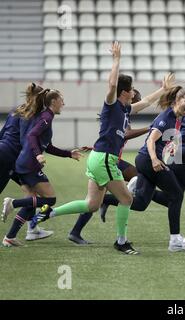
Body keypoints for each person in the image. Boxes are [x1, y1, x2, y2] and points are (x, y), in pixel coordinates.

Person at [31, 42, 155, 255]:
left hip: (100, 158)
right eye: (132, 89)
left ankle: (48, 213)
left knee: (91, 205)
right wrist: (116, 60)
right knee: (126, 199)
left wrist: (166, 90)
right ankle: (121, 241)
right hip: (105, 159)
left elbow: (146, 102)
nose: (134, 92)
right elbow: (112, 86)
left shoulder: (125, 110)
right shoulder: (112, 103)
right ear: (125, 92)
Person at [102, 86, 185, 247]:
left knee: (142, 203)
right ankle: (175, 240)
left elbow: (178, 136)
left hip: (150, 160)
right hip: (148, 160)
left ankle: (105, 199)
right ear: (177, 101)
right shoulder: (167, 116)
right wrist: (155, 159)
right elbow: (151, 140)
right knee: (177, 194)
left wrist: (174, 145)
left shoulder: (179, 118)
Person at [67, 83, 176, 245]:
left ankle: (77, 230)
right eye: (134, 99)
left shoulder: (123, 115)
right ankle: (160, 202)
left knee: (98, 199)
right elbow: (125, 134)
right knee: (137, 182)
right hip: (109, 160)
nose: (136, 105)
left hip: (110, 158)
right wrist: (150, 128)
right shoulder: (122, 113)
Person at [2, 88, 82, 246]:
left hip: (22, 163)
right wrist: (38, 154)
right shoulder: (46, 116)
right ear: (53, 101)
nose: (64, 103)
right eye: (61, 100)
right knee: (50, 199)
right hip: (28, 164)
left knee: (32, 200)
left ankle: (11, 237)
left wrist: (68, 154)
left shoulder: (39, 115)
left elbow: (47, 145)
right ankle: (13, 204)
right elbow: (32, 136)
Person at [1, 83, 54, 245]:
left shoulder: (17, 109)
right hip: (11, 158)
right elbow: (28, 140)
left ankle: (28, 230)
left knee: (32, 196)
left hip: (3, 150)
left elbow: (3, 133)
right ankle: (27, 226)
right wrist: (36, 157)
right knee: (43, 197)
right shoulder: (33, 115)